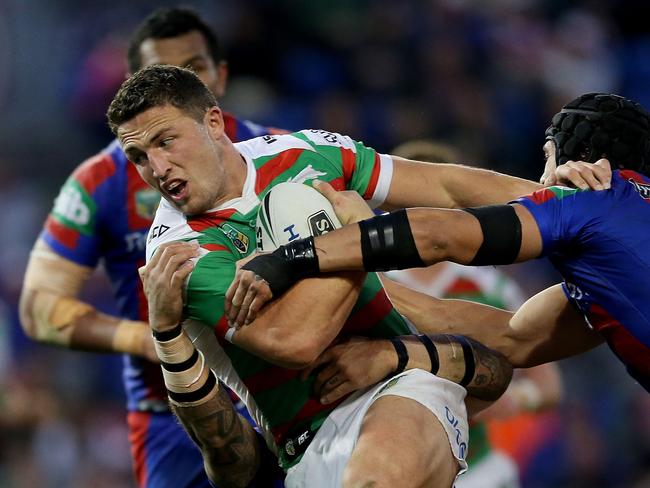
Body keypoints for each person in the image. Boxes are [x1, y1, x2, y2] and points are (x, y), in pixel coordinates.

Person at [106, 64, 529, 488]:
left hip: (403, 386)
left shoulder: (307, 153)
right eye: (139, 157)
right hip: (307, 448)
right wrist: (358, 239)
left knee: (377, 477)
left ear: (213, 122)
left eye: (166, 141)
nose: (157, 168)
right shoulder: (178, 252)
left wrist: (555, 196)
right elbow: (295, 340)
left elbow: (448, 188)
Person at [19, 7, 285, 488]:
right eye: (159, 72)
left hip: (286, 391)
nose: (175, 83)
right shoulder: (99, 181)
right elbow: (39, 308)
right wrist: (147, 340)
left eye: (194, 68)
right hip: (170, 415)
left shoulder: (284, 151)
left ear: (218, 77)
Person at [232, 92, 650, 394]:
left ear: (575, 155)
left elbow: (439, 236)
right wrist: (360, 277)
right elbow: (513, 339)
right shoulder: (605, 273)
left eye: (546, 157)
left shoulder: (591, 201)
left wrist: (293, 258)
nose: (540, 179)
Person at [384, 139, 562, 488]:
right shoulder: (373, 281)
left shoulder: (491, 288)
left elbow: (549, 386)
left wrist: (517, 399)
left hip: (476, 472)